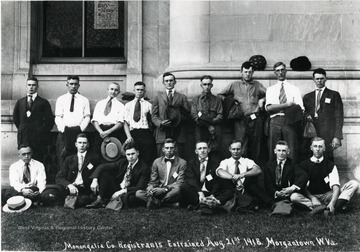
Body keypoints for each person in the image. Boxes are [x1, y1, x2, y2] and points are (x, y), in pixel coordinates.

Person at [290, 137, 359, 215]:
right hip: (311, 196)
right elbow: (303, 187)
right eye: (315, 146)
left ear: (324, 148)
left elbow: (335, 186)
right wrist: (312, 198)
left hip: (327, 195)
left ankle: (327, 206)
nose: (317, 149)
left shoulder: (330, 165)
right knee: (294, 197)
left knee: (354, 184)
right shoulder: (303, 165)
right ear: (311, 148)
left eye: (320, 146)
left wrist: (332, 202)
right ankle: (331, 207)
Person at [218, 62, 266, 163]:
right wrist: (232, 102)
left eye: (249, 72)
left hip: (255, 119)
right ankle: (242, 170)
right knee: (241, 146)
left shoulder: (257, 85)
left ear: (253, 72)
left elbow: (269, 94)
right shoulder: (235, 85)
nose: (247, 74)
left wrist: (263, 100)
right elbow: (220, 95)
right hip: (240, 120)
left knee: (256, 146)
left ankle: (254, 171)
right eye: (245, 72)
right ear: (241, 72)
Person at [86, 142, 150, 209]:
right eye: (128, 154)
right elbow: (102, 166)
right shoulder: (123, 162)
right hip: (117, 188)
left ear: (137, 153)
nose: (131, 157)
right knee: (104, 174)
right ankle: (100, 199)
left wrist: (122, 191)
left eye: (133, 154)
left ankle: (111, 201)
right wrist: (95, 179)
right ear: (125, 154)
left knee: (131, 198)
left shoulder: (144, 168)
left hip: (129, 191)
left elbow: (140, 187)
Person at [216, 140, 274, 208]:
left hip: (246, 188)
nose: (235, 151)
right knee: (226, 188)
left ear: (242, 149)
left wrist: (241, 175)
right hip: (231, 188)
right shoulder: (225, 162)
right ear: (230, 149)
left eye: (238, 149)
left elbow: (258, 170)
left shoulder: (247, 161)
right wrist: (236, 179)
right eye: (233, 149)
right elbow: (220, 171)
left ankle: (272, 204)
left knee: (254, 186)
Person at [265, 62, 304, 163]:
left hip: (290, 121)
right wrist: (287, 105)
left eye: (282, 70)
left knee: (291, 150)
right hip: (275, 120)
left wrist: (278, 107)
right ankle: (274, 176)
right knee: (274, 150)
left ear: (286, 71)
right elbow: (269, 108)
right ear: (275, 73)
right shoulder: (270, 89)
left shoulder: (294, 89)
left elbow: (300, 108)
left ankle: (290, 175)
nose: (280, 72)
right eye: (278, 70)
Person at [302, 68, 344, 161]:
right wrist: (307, 116)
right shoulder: (307, 97)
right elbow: (303, 112)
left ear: (326, 79)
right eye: (317, 79)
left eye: (322, 78)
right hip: (312, 131)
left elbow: (339, 116)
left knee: (327, 158)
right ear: (313, 80)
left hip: (328, 132)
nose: (319, 81)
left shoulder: (334, 95)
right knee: (311, 157)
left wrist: (337, 136)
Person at [136, 138, 186, 209]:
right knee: (138, 193)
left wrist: (164, 189)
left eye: (171, 148)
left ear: (175, 149)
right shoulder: (157, 162)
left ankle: (156, 202)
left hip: (171, 191)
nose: (169, 150)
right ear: (163, 149)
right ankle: (167, 204)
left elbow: (179, 182)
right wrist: (150, 188)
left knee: (178, 190)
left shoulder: (182, 163)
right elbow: (153, 181)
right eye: (167, 148)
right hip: (158, 190)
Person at [12, 77, 54, 163]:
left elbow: (50, 121)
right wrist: (22, 129)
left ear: (37, 87)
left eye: (34, 85)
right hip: (23, 138)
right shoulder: (20, 102)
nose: (31, 87)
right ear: (26, 86)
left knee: (37, 161)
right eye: (29, 85)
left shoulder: (43, 102)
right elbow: (16, 119)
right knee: (24, 161)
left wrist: (41, 132)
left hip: (38, 139)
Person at [53, 133, 101, 208]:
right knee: (54, 190)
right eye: (80, 143)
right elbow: (59, 177)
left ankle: (73, 200)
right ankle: (72, 200)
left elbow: (99, 172)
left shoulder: (94, 158)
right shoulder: (69, 159)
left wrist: (95, 180)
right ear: (76, 144)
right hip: (72, 188)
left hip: (85, 189)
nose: (82, 145)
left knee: (84, 199)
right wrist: (69, 185)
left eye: (84, 143)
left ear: (88, 145)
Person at [180, 141, 230, 209]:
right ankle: (207, 204)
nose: (202, 151)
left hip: (209, 191)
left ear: (208, 150)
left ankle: (201, 204)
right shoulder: (192, 163)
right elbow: (191, 179)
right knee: (184, 186)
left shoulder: (215, 164)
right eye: (200, 148)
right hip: (197, 192)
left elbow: (216, 182)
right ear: (196, 151)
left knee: (228, 191)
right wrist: (200, 192)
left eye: (205, 148)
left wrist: (212, 194)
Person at [152, 72, 191, 158]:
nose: (169, 82)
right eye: (166, 81)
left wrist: (178, 118)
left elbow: (188, 114)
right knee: (161, 158)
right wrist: (160, 123)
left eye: (171, 80)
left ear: (175, 82)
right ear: (163, 83)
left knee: (178, 157)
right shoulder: (158, 97)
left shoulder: (182, 97)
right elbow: (154, 115)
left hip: (178, 131)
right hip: (163, 132)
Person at [55, 76, 90, 168]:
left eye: (75, 84)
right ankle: (62, 179)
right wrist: (63, 129)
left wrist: (80, 128)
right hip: (64, 133)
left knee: (77, 157)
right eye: (71, 84)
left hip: (78, 133)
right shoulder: (61, 99)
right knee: (62, 156)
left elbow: (87, 116)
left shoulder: (84, 100)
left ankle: (77, 178)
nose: (73, 86)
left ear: (79, 85)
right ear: (67, 85)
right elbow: (58, 116)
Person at [91, 82, 131, 158]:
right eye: (111, 89)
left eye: (116, 90)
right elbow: (95, 120)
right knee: (97, 154)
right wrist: (101, 132)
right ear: (107, 90)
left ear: (119, 92)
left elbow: (120, 122)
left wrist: (108, 132)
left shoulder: (121, 106)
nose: (113, 91)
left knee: (113, 154)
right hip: (100, 131)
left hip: (114, 131)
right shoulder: (100, 103)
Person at [123, 81, 156, 165]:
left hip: (145, 133)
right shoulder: (128, 105)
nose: (139, 91)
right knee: (132, 156)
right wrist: (129, 136)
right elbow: (125, 122)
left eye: (142, 90)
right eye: (137, 89)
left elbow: (153, 120)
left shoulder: (148, 105)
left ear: (144, 91)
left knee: (147, 156)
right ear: (134, 90)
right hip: (133, 133)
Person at [191, 75, 223, 157]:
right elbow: (195, 116)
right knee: (200, 150)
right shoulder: (196, 100)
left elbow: (220, 115)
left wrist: (212, 124)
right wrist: (209, 125)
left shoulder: (217, 100)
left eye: (209, 84)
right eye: (204, 84)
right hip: (200, 128)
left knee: (215, 151)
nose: (207, 87)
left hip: (215, 128)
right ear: (201, 85)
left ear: (212, 85)